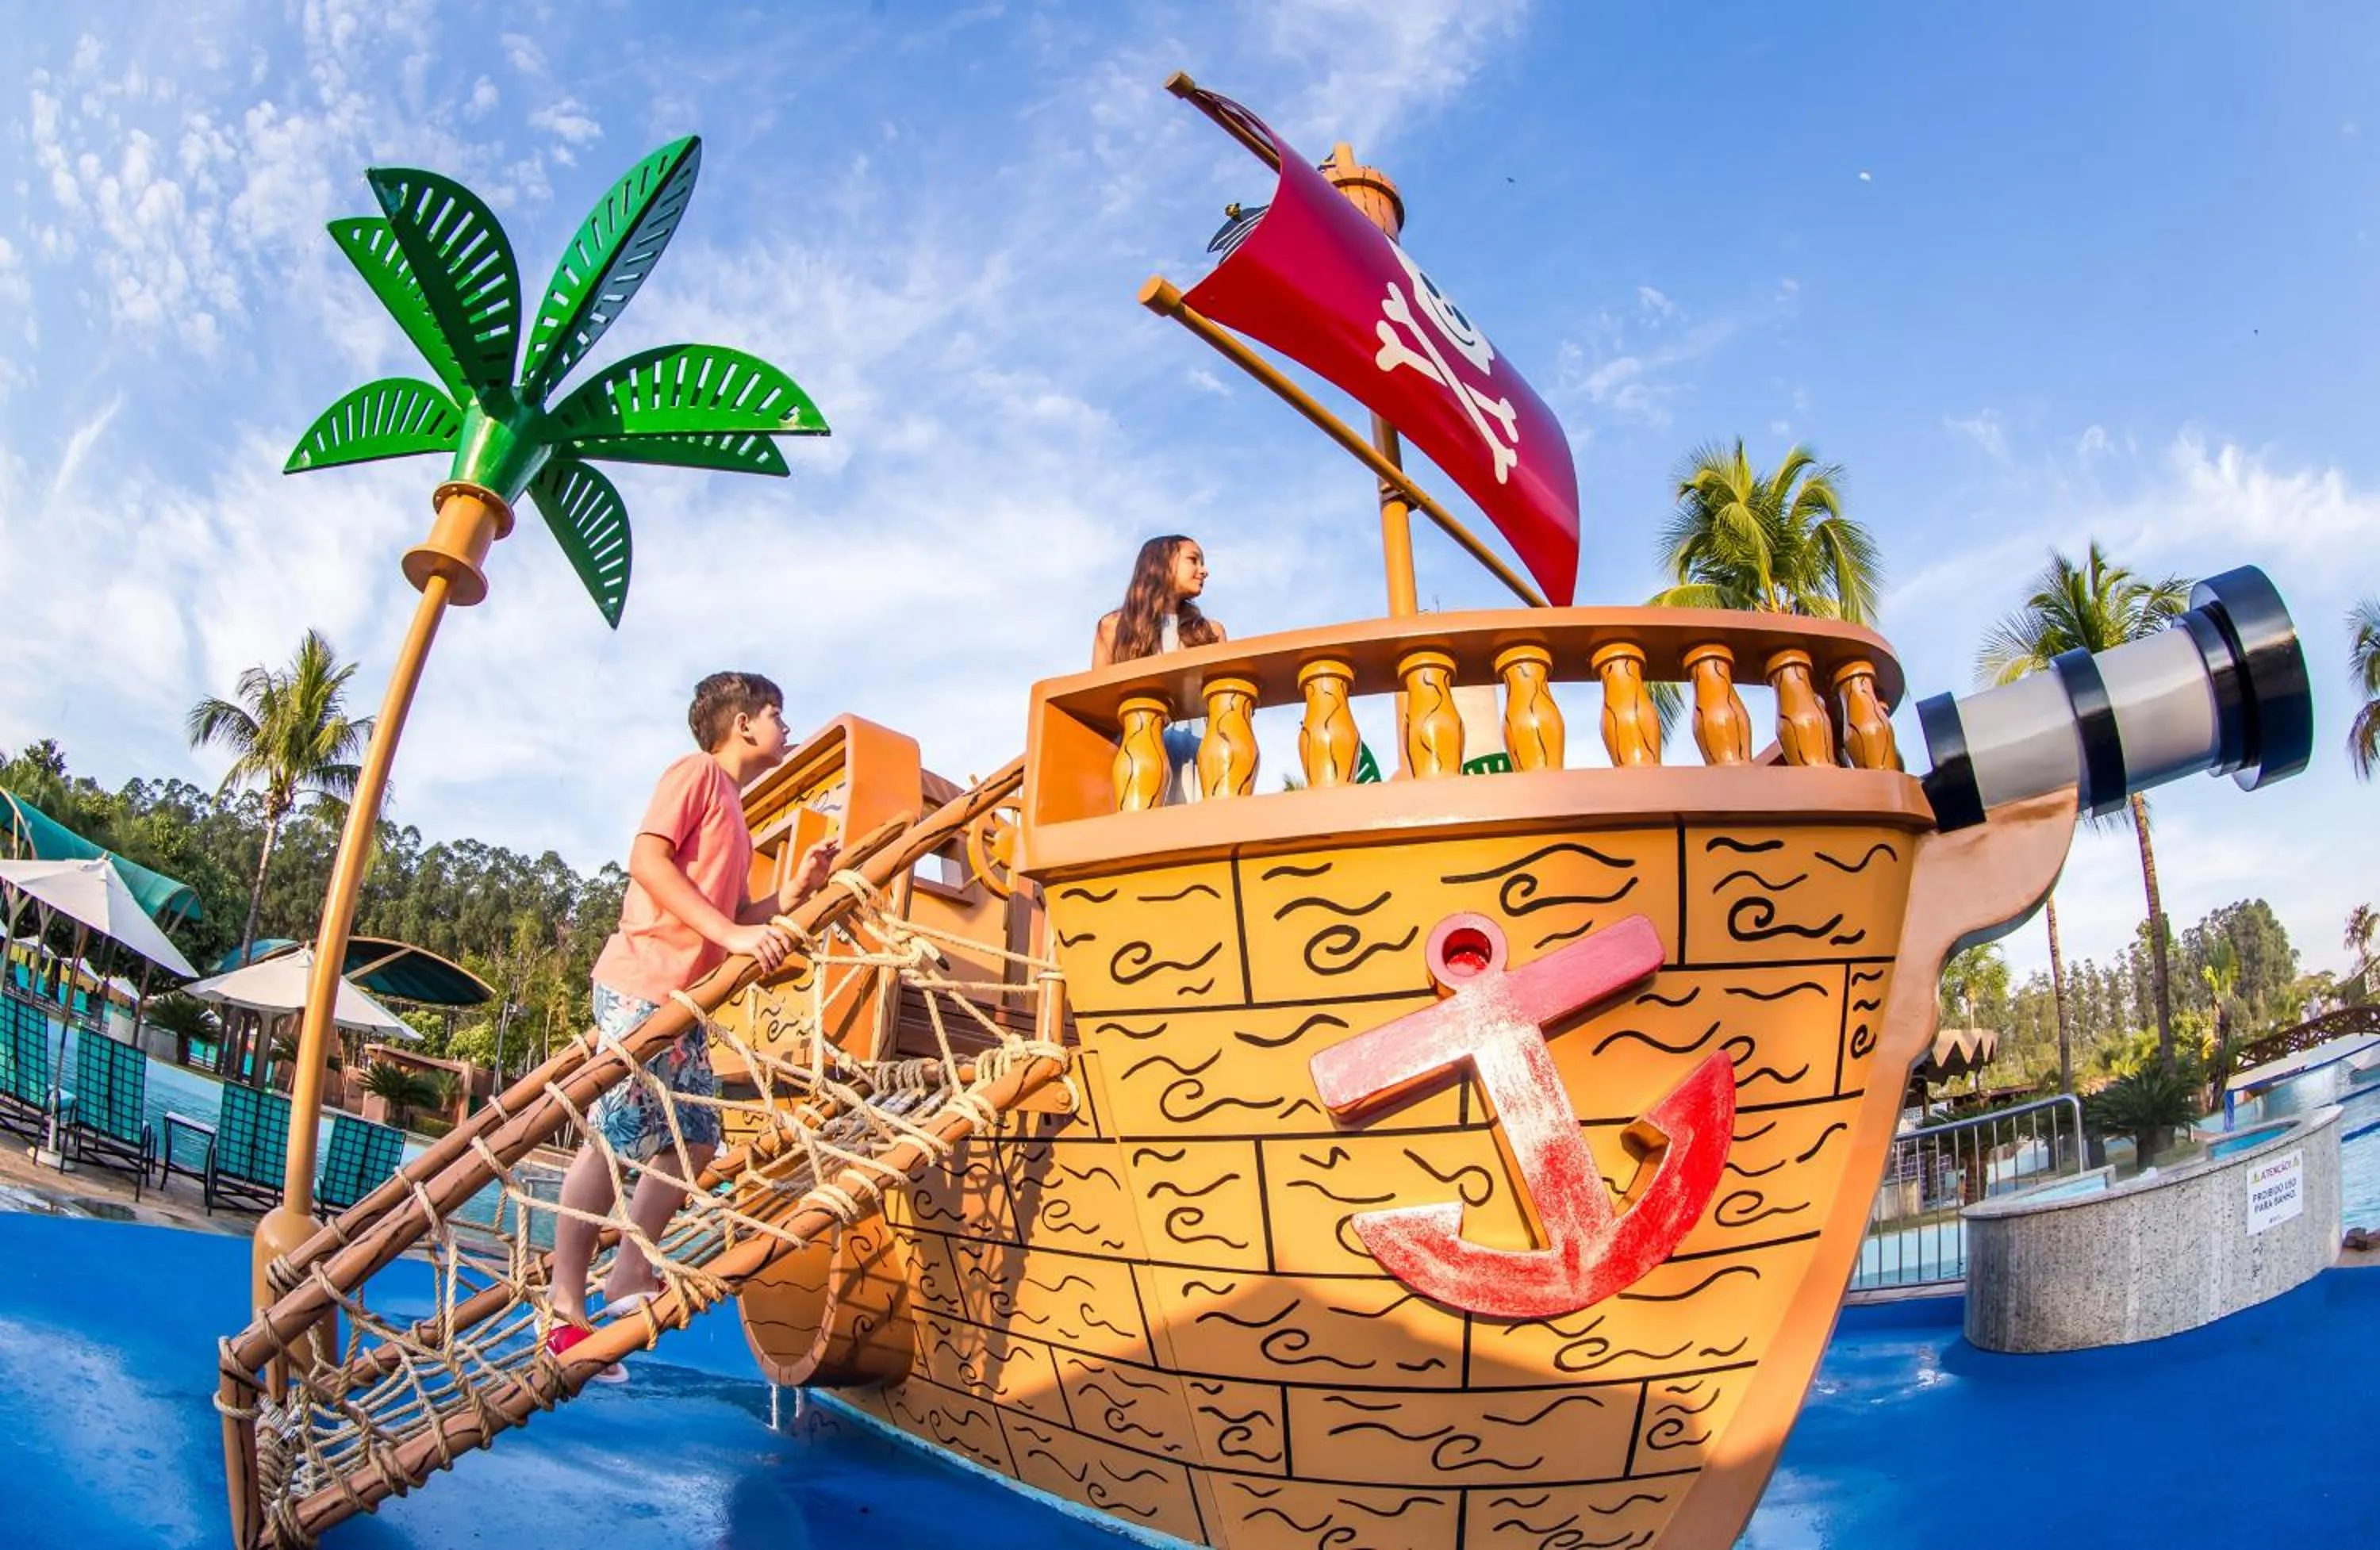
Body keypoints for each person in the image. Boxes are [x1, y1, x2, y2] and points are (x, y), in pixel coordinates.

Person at [545, 671, 839, 1378]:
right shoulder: (697, 773)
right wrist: (734, 937)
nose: (786, 727)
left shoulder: (736, 809)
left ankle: (629, 1273)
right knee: (613, 1142)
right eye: (777, 714)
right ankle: (562, 1310)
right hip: (642, 983)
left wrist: (791, 894)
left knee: (697, 1141)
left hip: (685, 1003)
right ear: (743, 724)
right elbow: (647, 860)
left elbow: (732, 917)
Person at [1092, 535, 1226, 800]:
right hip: (1136, 754)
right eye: (1193, 560)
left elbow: (1225, 709)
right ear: (1162, 564)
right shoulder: (1112, 628)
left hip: (1198, 752)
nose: (1204, 571)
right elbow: (1099, 704)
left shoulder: (1210, 632)